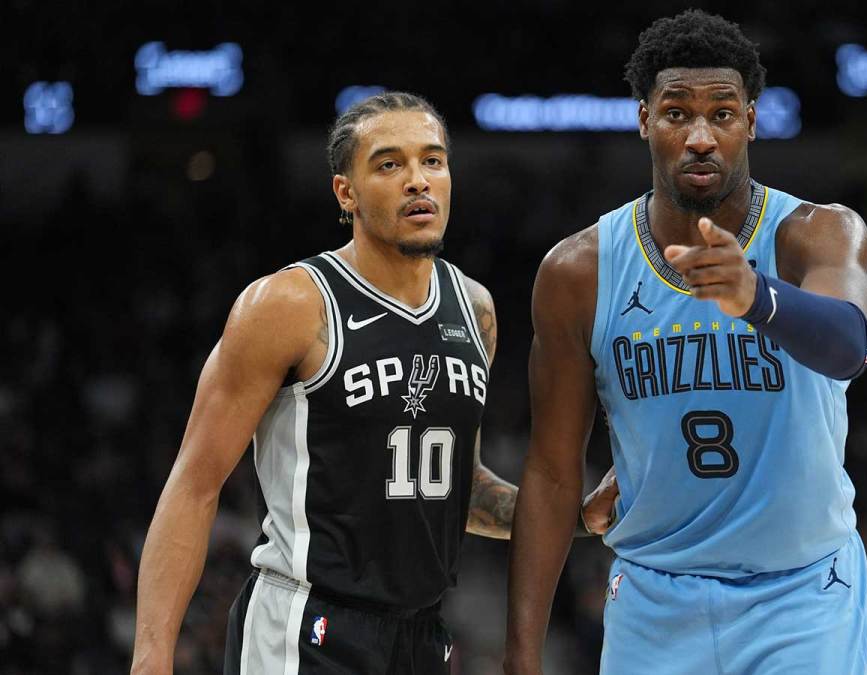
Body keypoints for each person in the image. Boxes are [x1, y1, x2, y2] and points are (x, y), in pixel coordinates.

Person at [129, 91, 618, 675]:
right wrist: (151, 658)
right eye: (389, 164)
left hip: (422, 634)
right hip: (305, 625)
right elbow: (194, 484)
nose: (418, 180)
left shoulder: (475, 309)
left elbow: (460, 489)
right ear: (346, 192)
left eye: (432, 160)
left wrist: (575, 517)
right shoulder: (290, 304)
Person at [505, 10, 867, 674]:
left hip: (803, 594)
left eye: (722, 115)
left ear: (751, 121)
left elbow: (850, 345)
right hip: (653, 596)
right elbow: (554, 471)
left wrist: (756, 296)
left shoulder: (815, 234)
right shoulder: (579, 272)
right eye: (677, 114)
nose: (700, 137)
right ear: (644, 119)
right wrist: (521, 655)